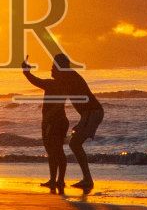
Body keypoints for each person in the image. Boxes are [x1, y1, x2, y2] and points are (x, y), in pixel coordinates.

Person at [54, 53, 103, 192]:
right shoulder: (68, 75)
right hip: (89, 114)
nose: (52, 68)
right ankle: (87, 178)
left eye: (54, 66)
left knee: (74, 143)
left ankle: (88, 179)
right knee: (75, 143)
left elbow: (55, 90)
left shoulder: (67, 76)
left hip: (92, 112)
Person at [21, 58, 69, 190]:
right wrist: (27, 73)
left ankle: (56, 180)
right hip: (60, 122)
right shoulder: (61, 84)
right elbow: (37, 81)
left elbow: (36, 81)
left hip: (54, 123)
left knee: (54, 151)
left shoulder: (53, 84)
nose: (51, 69)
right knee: (57, 151)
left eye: (54, 68)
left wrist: (26, 72)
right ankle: (58, 180)